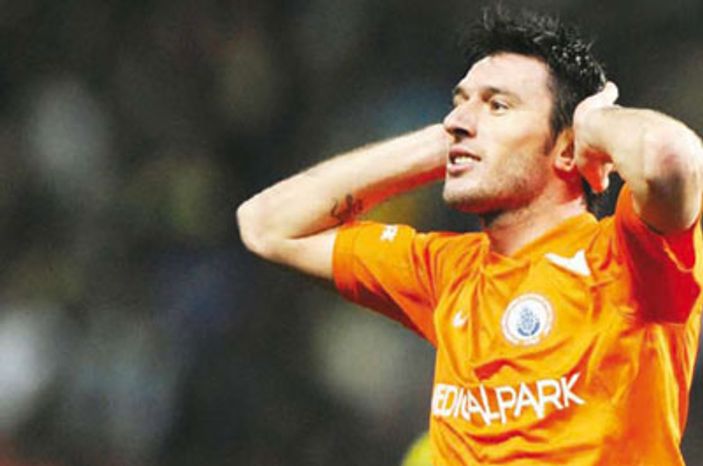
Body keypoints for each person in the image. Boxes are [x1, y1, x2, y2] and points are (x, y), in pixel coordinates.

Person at [237, 8, 703, 465]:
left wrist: (594, 124)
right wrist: (443, 145)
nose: (457, 120)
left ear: (568, 149)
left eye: (498, 105)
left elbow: (669, 158)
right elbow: (266, 226)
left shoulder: (630, 259)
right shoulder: (444, 269)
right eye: (460, 103)